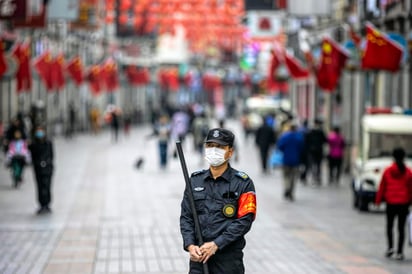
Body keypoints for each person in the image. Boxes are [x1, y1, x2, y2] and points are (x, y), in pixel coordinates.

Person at [180, 128, 257, 274]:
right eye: (210, 146)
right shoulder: (194, 180)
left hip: (228, 260)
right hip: (199, 258)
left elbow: (245, 220)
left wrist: (216, 244)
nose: (213, 150)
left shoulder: (243, 183)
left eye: (220, 147)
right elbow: (186, 217)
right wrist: (190, 245)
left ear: (230, 152)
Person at [375, 147, 412, 261]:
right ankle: (400, 251)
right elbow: (411, 189)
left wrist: (378, 200)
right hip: (403, 203)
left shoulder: (388, 171)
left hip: (390, 202)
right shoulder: (408, 172)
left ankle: (390, 248)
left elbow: (382, 187)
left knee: (390, 226)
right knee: (401, 228)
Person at [29, 126, 54, 215]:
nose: (39, 133)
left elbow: (51, 155)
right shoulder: (33, 144)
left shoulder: (48, 143)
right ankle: (41, 204)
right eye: (38, 131)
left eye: (41, 131)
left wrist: (47, 163)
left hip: (47, 168)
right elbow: (31, 156)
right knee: (39, 186)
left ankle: (47, 203)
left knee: (47, 185)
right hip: (38, 168)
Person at [276, 122, 304, 201]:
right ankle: (291, 191)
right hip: (296, 160)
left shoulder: (285, 136)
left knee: (286, 176)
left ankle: (286, 188)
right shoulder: (299, 137)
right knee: (293, 177)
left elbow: (280, 146)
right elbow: (302, 148)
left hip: (286, 159)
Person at [306, 118, 327, 185]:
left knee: (312, 164)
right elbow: (325, 141)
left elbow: (307, 141)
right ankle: (317, 177)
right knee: (318, 164)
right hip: (319, 150)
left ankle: (314, 176)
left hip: (311, 151)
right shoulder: (321, 132)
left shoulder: (310, 131)